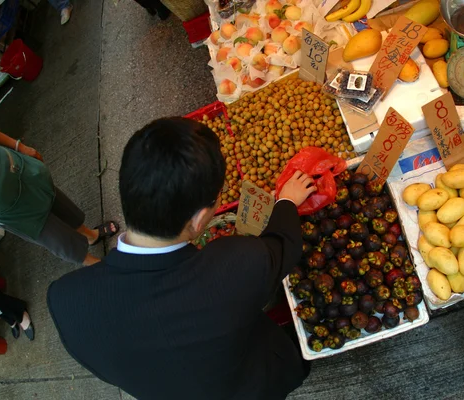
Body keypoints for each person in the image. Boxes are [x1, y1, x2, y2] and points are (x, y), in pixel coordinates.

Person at [47, 117, 315, 400]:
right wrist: (286, 201)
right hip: (254, 383)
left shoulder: (64, 300)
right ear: (199, 219)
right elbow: (283, 245)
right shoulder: (236, 265)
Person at [0, 126, 118, 266]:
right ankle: (97, 265)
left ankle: (90, 235)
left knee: (54, 199)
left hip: (5, 163)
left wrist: (18, 146)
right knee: (46, 231)